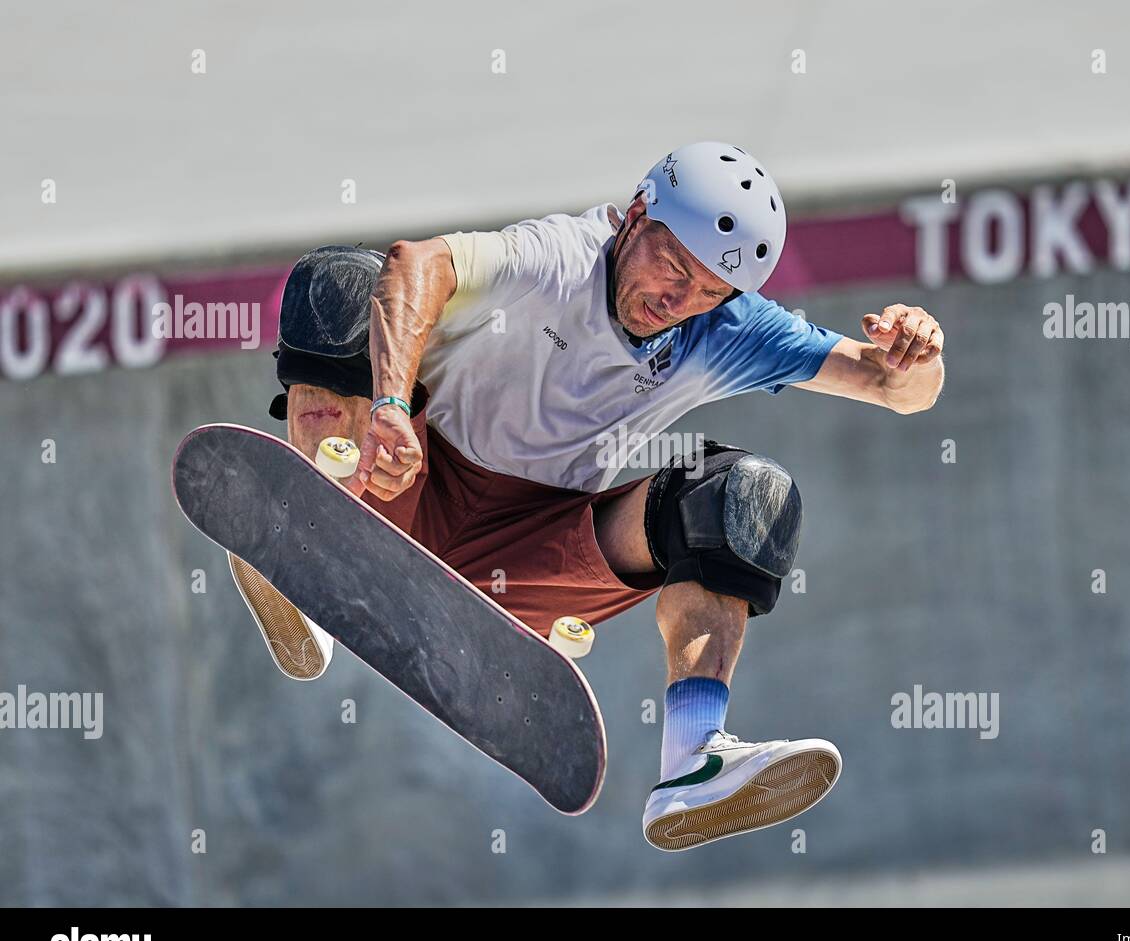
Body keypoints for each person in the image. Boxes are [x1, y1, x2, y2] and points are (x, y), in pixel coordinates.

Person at [232, 140, 946, 851]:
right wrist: (389, 402)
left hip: (538, 557)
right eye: (671, 268)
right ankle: (308, 545)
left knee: (743, 494)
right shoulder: (559, 256)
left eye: (707, 292)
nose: (677, 301)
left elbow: (896, 390)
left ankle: (695, 758)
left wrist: (916, 354)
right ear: (635, 216)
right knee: (339, 284)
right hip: (398, 480)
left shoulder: (724, 328)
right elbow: (415, 264)